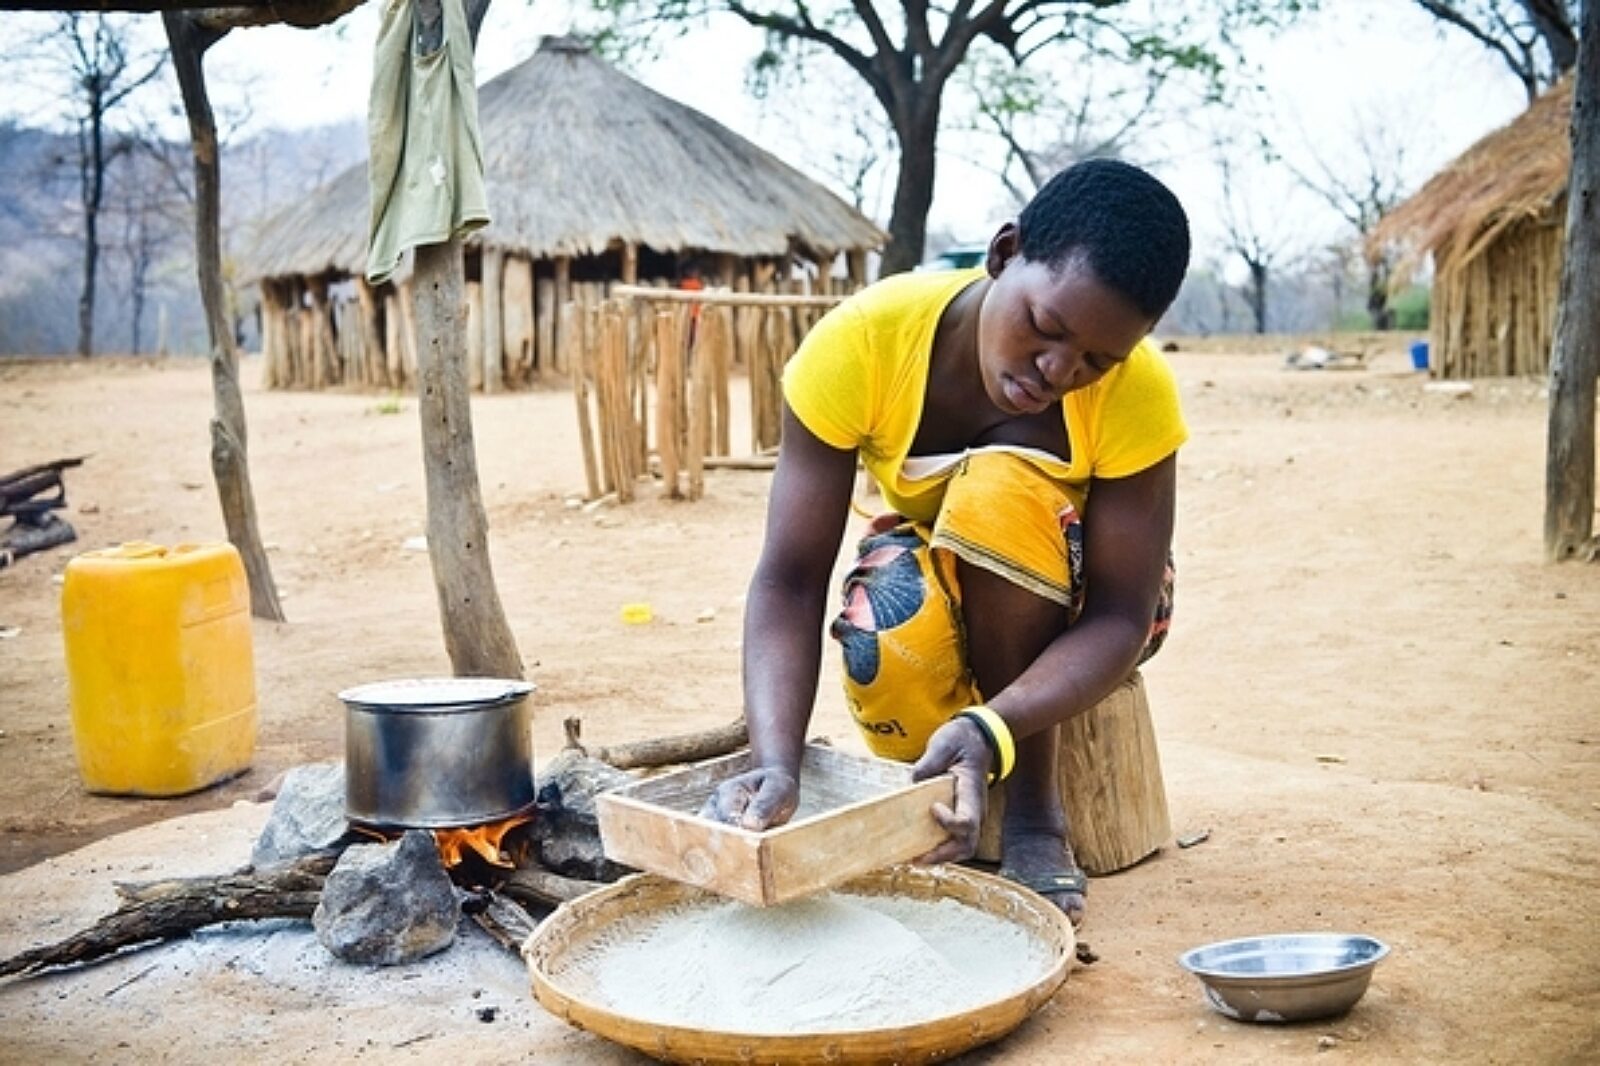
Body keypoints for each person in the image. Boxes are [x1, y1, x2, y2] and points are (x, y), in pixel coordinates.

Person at [701, 159, 1191, 928]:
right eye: (1046, 327)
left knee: (998, 489)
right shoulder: (864, 345)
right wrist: (776, 762)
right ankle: (949, 779)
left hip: (1091, 608)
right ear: (1003, 253)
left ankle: (1034, 812)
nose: (1057, 371)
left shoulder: (1137, 394)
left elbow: (1122, 614)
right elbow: (790, 579)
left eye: (1098, 361)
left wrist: (995, 725)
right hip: (949, 571)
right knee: (884, 628)